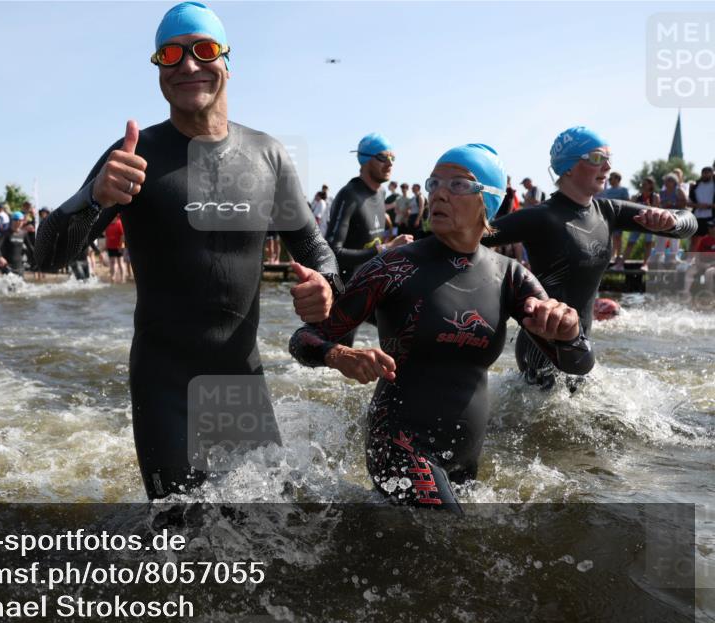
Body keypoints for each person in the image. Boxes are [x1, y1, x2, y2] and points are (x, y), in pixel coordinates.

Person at [35, 1, 340, 499]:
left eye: (202, 50)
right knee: (180, 545)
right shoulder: (136, 155)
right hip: (165, 388)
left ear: (226, 59)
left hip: (242, 383)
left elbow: (312, 244)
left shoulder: (268, 154)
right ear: (158, 68)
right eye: (170, 55)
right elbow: (47, 257)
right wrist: (94, 198)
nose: (188, 66)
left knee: (268, 541)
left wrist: (325, 284)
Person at [291, 144, 592, 511]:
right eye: (434, 183)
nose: (439, 193)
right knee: (449, 533)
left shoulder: (510, 276)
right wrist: (339, 355)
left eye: (458, 185)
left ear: (489, 201)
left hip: (464, 457)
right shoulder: (393, 267)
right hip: (397, 444)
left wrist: (569, 332)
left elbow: (577, 364)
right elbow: (305, 338)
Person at [482, 126, 696, 390]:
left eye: (609, 157)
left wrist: (670, 220)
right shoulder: (540, 217)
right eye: (596, 157)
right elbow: (471, 237)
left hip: (581, 345)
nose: (607, 165)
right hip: (542, 346)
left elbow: (690, 222)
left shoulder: (609, 211)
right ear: (569, 167)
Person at [324, 132, 413, 344]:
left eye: (393, 157)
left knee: (408, 329)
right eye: (383, 157)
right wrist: (383, 249)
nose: (390, 163)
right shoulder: (350, 195)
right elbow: (331, 252)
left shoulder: (380, 194)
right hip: (344, 292)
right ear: (365, 159)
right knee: (336, 364)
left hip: (371, 286)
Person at [617, 176, 661, 268]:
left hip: (650, 224)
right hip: (638, 223)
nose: (643, 186)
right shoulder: (637, 196)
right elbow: (630, 208)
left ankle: (645, 264)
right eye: (642, 184)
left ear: (651, 185)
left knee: (648, 243)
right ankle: (620, 264)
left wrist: (649, 206)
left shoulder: (655, 196)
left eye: (645, 184)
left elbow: (656, 209)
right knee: (630, 243)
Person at [598, 172, 631, 260]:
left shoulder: (623, 190)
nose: (609, 180)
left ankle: (618, 255)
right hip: (609, 216)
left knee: (618, 237)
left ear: (617, 179)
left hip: (620, 216)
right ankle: (612, 255)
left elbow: (627, 203)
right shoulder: (607, 191)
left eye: (611, 178)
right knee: (610, 236)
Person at [0, 211, 32, 276]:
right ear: (12, 221)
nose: (18, 222)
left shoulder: (24, 234)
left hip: (19, 267)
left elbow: (30, 247)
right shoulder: (6, 233)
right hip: (7, 266)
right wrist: (0, 257)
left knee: (20, 285)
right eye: (16, 220)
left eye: (20, 221)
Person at [688, 165, 714, 252]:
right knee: (694, 240)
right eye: (704, 173)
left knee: (711, 240)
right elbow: (688, 203)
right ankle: (690, 262)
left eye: (707, 173)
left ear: (712, 173)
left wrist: (710, 206)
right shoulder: (695, 186)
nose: (705, 175)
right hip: (697, 216)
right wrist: (698, 206)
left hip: (712, 217)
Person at [104, 214, 126, 283]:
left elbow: (122, 235)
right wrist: (106, 245)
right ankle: (113, 276)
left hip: (118, 246)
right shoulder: (108, 224)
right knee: (112, 262)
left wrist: (121, 245)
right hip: (110, 246)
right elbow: (106, 236)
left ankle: (123, 277)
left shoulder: (119, 223)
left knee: (120, 262)